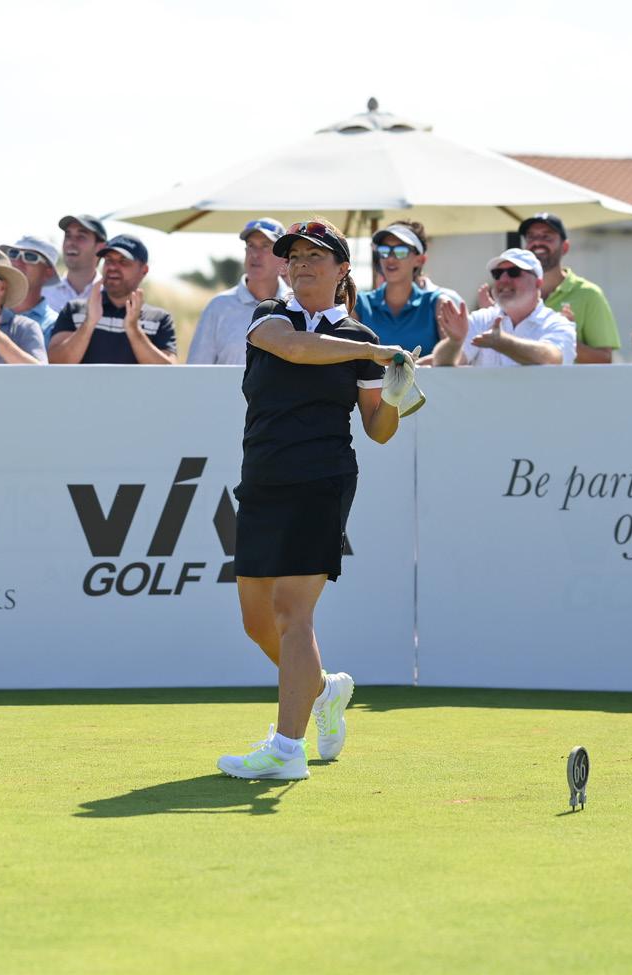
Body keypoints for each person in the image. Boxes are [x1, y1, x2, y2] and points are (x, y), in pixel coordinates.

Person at [217, 217, 414, 781]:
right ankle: (323, 690)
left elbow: (378, 430)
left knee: (291, 610)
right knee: (257, 622)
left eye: (315, 257)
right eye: (295, 257)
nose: (301, 265)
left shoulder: (362, 340)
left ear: (342, 269)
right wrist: (375, 353)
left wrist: (395, 394)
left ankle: (287, 749)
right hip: (263, 477)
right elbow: (297, 349)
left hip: (323, 479)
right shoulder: (269, 317)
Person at [432, 249, 576, 367]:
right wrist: (454, 343)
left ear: (538, 283)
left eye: (514, 272)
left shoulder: (557, 323)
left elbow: (552, 358)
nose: (503, 279)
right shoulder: (481, 319)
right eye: (497, 274)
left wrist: (502, 342)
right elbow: (443, 364)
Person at [48, 235, 176, 364]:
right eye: (108, 260)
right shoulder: (74, 310)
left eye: (123, 262)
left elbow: (169, 372)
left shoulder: (159, 319)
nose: (113, 267)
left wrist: (133, 330)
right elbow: (55, 363)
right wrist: (89, 323)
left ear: (144, 270)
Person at [187, 218, 291, 365]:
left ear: (283, 258)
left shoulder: (296, 305)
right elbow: (196, 369)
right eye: (251, 246)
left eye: (265, 246)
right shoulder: (218, 306)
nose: (255, 254)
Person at [519, 213, 619, 363]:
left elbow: (604, 359)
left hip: (568, 380)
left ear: (564, 247)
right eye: (531, 237)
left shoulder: (589, 294)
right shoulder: (514, 292)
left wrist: (566, 336)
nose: (537, 242)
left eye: (547, 237)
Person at [355, 221, 464, 355]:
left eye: (401, 251)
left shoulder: (438, 303)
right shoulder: (359, 304)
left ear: (420, 260)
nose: (390, 259)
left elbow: (453, 361)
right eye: (384, 251)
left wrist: (455, 343)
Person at [0, 236, 61, 344]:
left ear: (48, 272)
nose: (18, 262)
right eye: (13, 253)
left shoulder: (55, 326)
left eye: (30, 257)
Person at [42, 214, 106, 314]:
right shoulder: (43, 293)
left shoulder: (111, 295)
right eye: (68, 236)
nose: (70, 242)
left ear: (100, 248)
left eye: (81, 237)